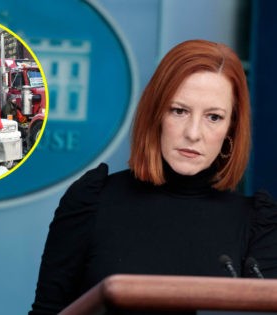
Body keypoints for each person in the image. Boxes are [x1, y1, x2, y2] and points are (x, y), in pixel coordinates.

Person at [28, 39, 277, 315]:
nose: (193, 133)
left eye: (214, 117)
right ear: (156, 114)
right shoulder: (92, 201)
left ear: (231, 128)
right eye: (179, 111)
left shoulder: (258, 224)